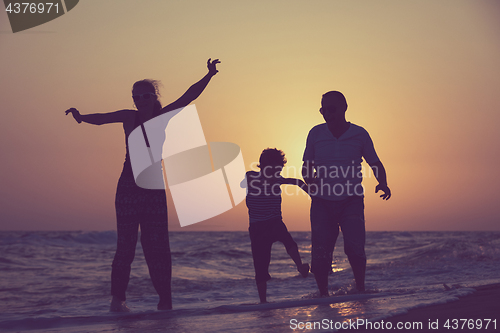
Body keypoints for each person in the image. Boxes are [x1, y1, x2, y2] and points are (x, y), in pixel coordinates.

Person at [65, 59, 221, 311]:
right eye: (135, 96)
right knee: (125, 245)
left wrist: (209, 75)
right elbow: (103, 118)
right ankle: (118, 300)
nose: (140, 100)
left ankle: (165, 302)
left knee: (157, 246)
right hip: (128, 185)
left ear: (154, 96)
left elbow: (189, 96)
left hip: (154, 187)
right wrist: (81, 117)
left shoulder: (163, 116)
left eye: (145, 96)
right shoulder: (129, 116)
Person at [302, 91, 391, 297]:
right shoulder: (315, 133)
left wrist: (383, 183)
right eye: (323, 110)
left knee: (354, 248)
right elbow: (306, 166)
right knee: (321, 253)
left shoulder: (360, 134)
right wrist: (309, 179)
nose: (327, 114)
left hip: (351, 199)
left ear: (344, 108)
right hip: (321, 202)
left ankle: (360, 290)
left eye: (331, 109)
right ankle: (323, 296)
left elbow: (374, 162)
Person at [246, 148, 310, 303]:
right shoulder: (251, 176)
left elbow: (297, 182)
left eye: (279, 170)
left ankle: (300, 266)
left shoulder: (278, 179)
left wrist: (312, 194)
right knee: (260, 264)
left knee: (289, 241)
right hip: (257, 227)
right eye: (273, 169)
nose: (277, 173)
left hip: (274, 221)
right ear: (262, 166)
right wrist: (270, 179)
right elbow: (254, 180)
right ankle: (263, 301)